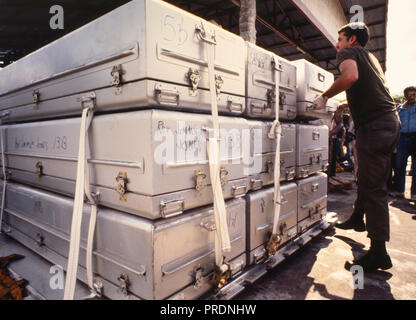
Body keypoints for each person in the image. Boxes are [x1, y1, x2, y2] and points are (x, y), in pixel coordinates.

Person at [312, 22, 400, 272]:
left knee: (374, 188)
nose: (336, 44)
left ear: (352, 40)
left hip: (375, 126)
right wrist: (343, 106)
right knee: (367, 177)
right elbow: (368, 92)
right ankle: (357, 218)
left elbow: (350, 77)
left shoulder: (348, 53)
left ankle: (379, 253)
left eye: (339, 38)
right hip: (387, 123)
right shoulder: (370, 57)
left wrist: (325, 96)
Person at [390, 86, 416, 200]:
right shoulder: (400, 109)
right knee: (399, 165)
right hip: (402, 138)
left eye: (414, 95)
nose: (412, 97)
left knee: (415, 167)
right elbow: (395, 124)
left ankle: (414, 194)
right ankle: (399, 191)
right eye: (409, 95)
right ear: (405, 96)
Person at [329, 108, 345, 177]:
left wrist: (330, 133)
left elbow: (340, 124)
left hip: (332, 140)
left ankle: (331, 175)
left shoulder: (333, 108)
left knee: (332, 159)